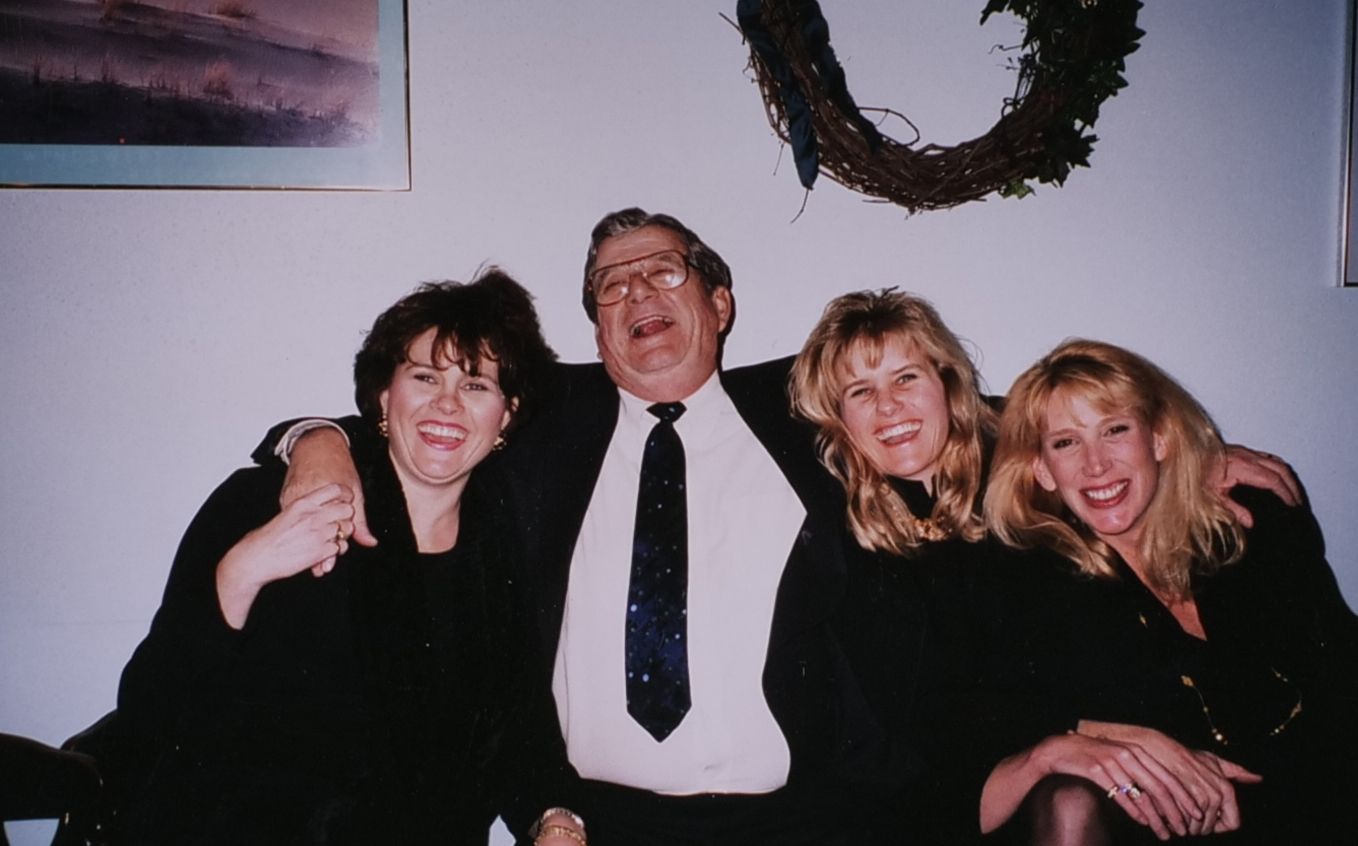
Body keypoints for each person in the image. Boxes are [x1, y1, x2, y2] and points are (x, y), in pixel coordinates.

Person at [268, 213, 1299, 844]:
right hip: (601, 824)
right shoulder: (544, 425)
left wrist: (1192, 451)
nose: (636, 291)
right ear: (595, 329)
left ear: (719, 302)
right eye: (610, 285)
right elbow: (419, 417)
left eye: (664, 270)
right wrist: (311, 441)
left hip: (801, 822)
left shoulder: (807, 411)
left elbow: (953, 408)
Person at [789, 291, 1305, 844]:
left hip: (1102, 751)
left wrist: (1193, 457)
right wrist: (1070, 741)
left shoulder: (1023, 471)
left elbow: (1097, 427)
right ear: (837, 417)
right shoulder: (838, 537)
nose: (888, 406)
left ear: (947, 381)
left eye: (906, 378)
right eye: (860, 391)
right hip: (968, 783)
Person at [118, 271, 586, 846]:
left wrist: (558, 819)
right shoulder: (268, 501)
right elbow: (149, 711)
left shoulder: (501, 543)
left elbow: (522, 729)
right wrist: (240, 573)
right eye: (425, 376)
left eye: (475, 385)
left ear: (506, 416)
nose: (447, 404)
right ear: (385, 396)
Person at [982, 338, 1358, 844]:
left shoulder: (1252, 524)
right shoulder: (1038, 582)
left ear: (1159, 439)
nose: (1096, 464)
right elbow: (1002, 711)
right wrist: (1098, 732)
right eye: (1066, 442)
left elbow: (1340, 665)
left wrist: (1201, 456)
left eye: (1115, 430)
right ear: (1042, 470)